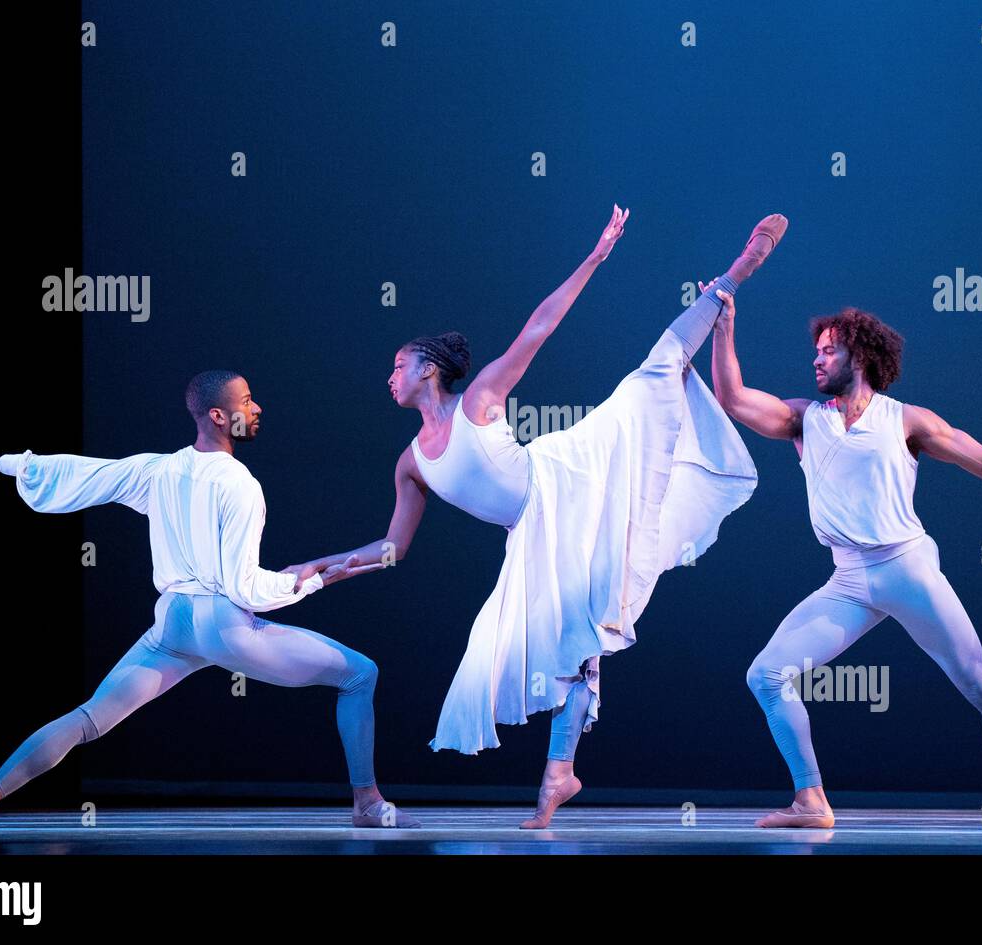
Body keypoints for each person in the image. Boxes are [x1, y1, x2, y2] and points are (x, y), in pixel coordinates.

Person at [294, 206, 785, 827]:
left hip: (565, 477)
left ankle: (735, 273)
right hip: (532, 533)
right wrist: (320, 569)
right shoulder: (411, 463)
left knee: (654, 374)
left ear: (428, 370)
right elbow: (393, 548)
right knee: (558, 642)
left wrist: (596, 255)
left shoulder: (478, 400)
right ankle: (559, 772)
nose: (389, 376)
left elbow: (539, 327)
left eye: (398, 365)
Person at [0, 370, 418, 829]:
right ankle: (367, 803)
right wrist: (313, 579)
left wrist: (7, 464)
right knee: (359, 674)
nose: (257, 408)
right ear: (216, 415)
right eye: (247, 401)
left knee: (89, 718)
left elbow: (82, 474)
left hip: (171, 624)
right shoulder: (239, 485)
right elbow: (244, 588)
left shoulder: (159, 469)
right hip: (223, 626)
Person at [708, 293, 982, 829]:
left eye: (829, 351)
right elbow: (732, 397)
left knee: (980, 684)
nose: (816, 359)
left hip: (908, 569)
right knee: (767, 675)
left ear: (861, 357)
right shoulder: (804, 420)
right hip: (848, 579)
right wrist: (725, 323)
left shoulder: (906, 421)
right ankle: (811, 801)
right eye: (816, 351)